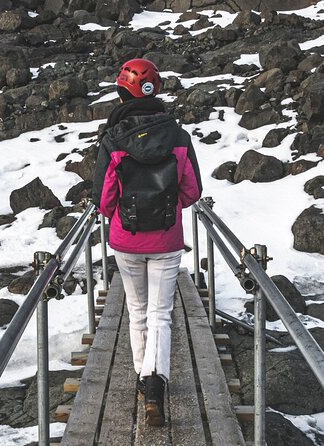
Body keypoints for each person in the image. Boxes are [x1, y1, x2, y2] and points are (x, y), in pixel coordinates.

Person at [91, 58, 202, 427]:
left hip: (126, 240)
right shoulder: (179, 136)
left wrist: (122, 214)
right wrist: (169, 205)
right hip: (167, 239)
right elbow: (193, 191)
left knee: (137, 311)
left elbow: (104, 199)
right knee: (160, 314)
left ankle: (145, 379)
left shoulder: (113, 138)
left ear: (122, 92)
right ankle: (155, 381)